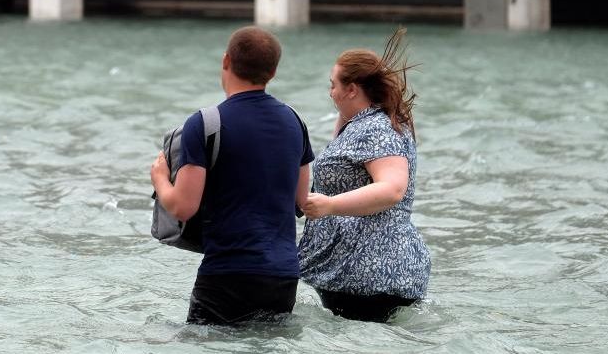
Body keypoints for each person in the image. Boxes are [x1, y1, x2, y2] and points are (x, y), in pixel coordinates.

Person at [150, 26, 314, 326]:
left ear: (226, 61)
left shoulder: (205, 123)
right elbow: (302, 201)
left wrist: (160, 178)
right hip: (283, 275)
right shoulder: (295, 121)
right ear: (273, 72)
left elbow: (183, 206)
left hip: (228, 272)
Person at [298, 27, 430, 323]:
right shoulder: (366, 122)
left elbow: (393, 189)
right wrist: (344, 110)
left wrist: (329, 206)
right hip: (365, 272)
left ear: (352, 89)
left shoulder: (376, 129)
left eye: (333, 85)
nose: (330, 92)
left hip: (372, 274)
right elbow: (343, 157)